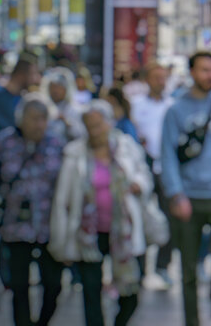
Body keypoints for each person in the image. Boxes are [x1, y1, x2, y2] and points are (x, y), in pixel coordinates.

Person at [160, 51, 211, 326]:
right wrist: (176, 194)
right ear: (192, 73)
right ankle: (192, 321)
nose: (210, 75)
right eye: (204, 70)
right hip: (189, 198)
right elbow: (168, 156)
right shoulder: (176, 109)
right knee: (188, 270)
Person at [50, 100, 153, 326]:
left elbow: (144, 175)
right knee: (91, 291)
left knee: (130, 293)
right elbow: (62, 199)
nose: (94, 131)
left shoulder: (126, 147)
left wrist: (138, 185)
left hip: (123, 231)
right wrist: (61, 236)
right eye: (89, 125)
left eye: (98, 125)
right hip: (89, 233)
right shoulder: (75, 153)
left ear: (108, 123)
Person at [0, 93, 65, 326]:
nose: (38, 124)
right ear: (21, 119)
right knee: (18, 286)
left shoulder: (57, 144)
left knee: (53, 285)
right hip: (15, 226)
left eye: (43, 118)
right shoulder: (6, 142)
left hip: (48, 227)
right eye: (33, 118)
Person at [131, 63, 176, 288]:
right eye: (155, 77)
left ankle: (162, 265)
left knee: (169, 218)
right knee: (138, 217)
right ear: (147, 79)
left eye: (163, 78)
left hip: (166, 168)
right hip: (143, 167)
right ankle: (137, 268)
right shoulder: (137, 105)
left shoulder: (172, 105)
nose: (160, 82)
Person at [43, 67, 86, 142]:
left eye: (59, 87)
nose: (55, 91)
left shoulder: (77, 109)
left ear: (66, 89)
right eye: (53, 87)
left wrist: (67, 123)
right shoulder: (43, 107)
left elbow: (81, 135)